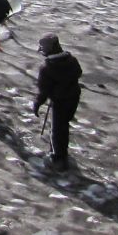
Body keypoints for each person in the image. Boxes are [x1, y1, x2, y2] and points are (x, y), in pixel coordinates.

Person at [34, 34, 83, 170]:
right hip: (73, 97)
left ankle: (58, 158)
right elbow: (78, 72)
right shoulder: (72, 60)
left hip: (59, 102)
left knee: (57, 129)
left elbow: (43, 91)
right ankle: (61, 150)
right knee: (64, 125)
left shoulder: (47, 68)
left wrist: (37, 104)